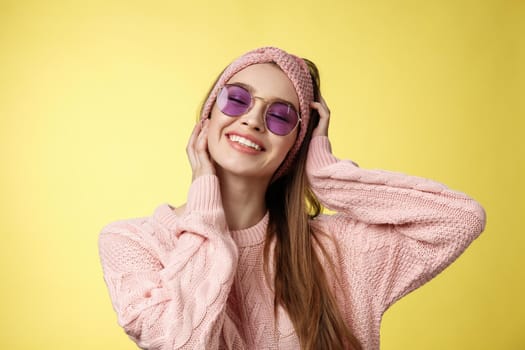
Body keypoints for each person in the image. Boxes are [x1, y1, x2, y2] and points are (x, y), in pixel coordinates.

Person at [98, 46, 486, 350]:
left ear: (294, 146)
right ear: (207, 118)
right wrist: (204, 203)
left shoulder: (337, 250)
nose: (252, 120)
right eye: (237, 99)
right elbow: (177, 342)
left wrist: (326, 175)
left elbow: (459, 218)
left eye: (280, 116)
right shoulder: (133, 242)